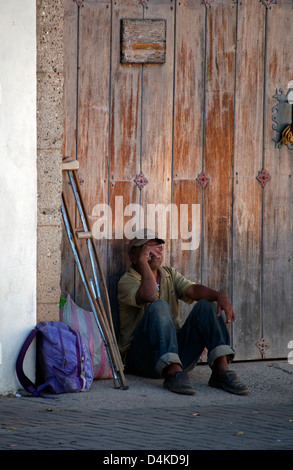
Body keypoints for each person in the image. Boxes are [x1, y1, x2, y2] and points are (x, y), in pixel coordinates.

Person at [117, 228, 248, 396]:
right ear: (134, 256)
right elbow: (150, 295)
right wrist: (142, 262)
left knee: (206, 305)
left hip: (176, 354)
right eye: (148, 248)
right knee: (159, 305)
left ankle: (220, 371)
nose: (156, 251)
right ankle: (173, 373)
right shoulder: (127, 281)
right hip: (142, 359)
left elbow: (192, 290)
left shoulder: (169, 274)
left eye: (159, 247)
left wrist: (219, 296)